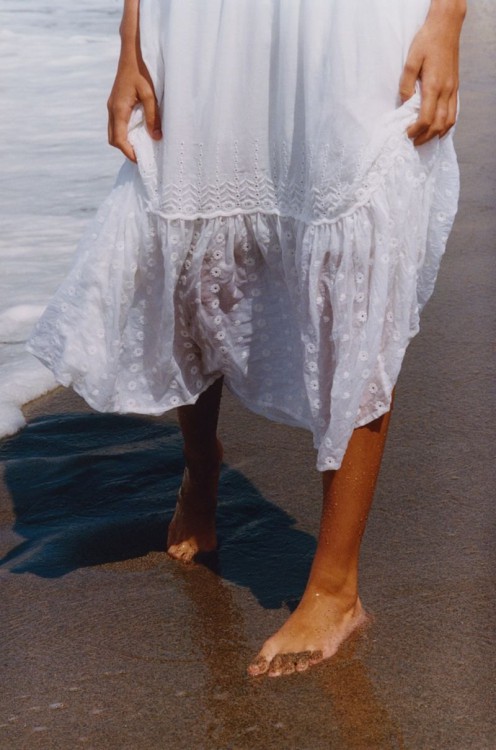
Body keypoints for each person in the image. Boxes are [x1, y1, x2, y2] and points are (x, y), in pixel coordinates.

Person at [27, 0, 466, 677]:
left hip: (345, 24)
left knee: (350, 262)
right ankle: (201, 468)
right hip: (203, 19)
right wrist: (131, 37)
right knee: (194, 250)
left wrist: (449, 18)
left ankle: (334, 586)